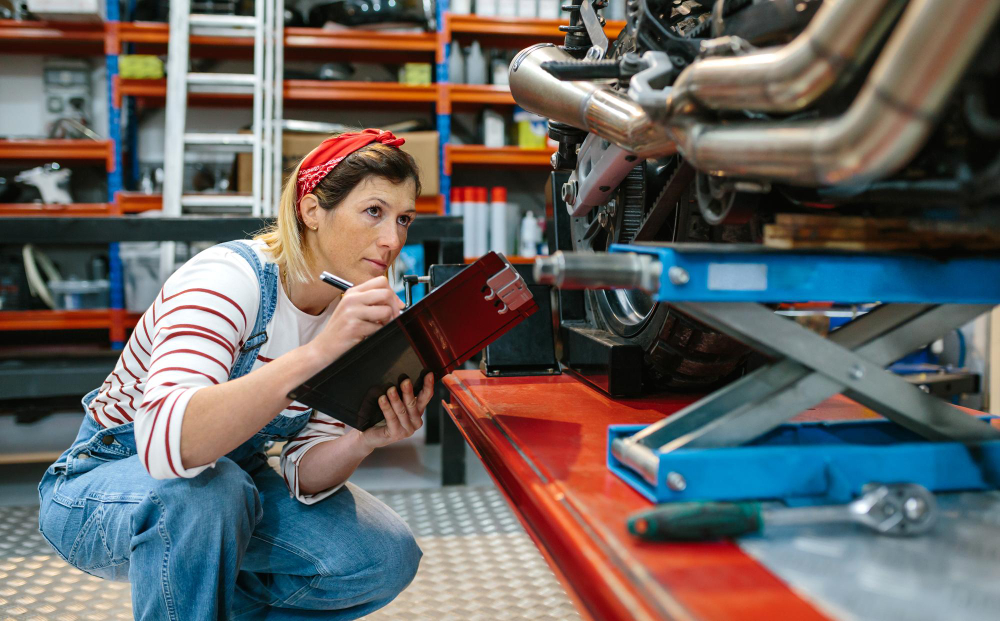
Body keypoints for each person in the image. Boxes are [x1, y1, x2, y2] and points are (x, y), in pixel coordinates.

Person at [37, 129, 434, 620]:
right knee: (211, 494)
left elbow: (301, 472)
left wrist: (361, 439)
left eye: (404, 219)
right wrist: (317, 354)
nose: (393, 239)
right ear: (311, 210)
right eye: (373, 212)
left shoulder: (350, 315)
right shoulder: (227, 279)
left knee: (381, 558)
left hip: (231, 487)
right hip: (100, 489)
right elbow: (167, 448)